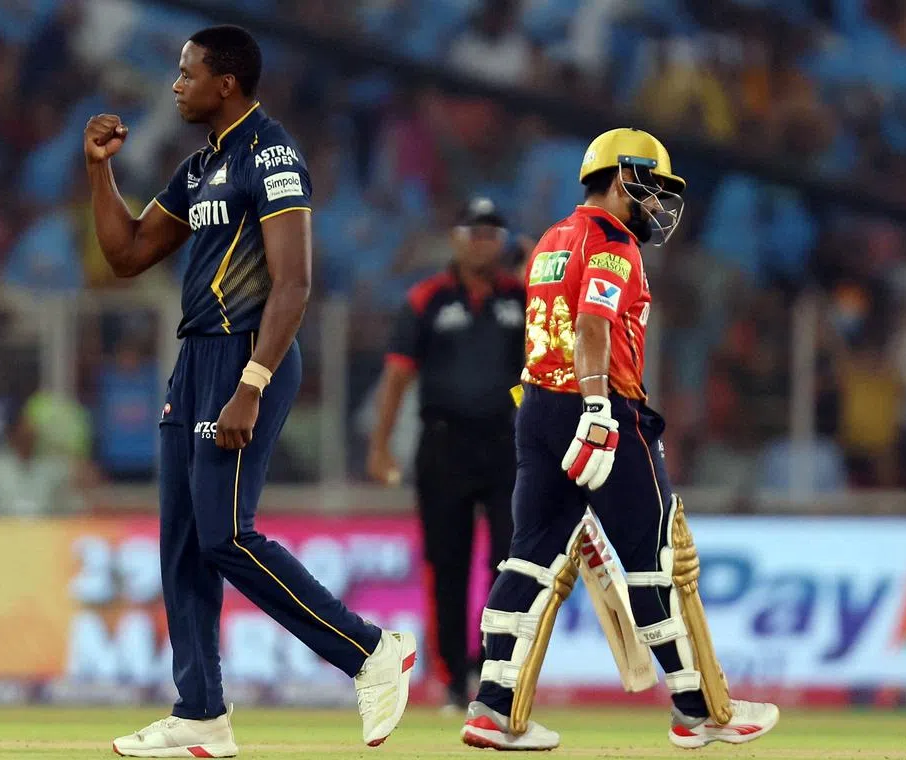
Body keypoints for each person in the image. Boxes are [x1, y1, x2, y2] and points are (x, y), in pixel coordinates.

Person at [84, 26, 415, 758]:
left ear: (225, 82)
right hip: (195, 359)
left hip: (246, 357)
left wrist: (252, 384)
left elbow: (293, 283)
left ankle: (369, 652)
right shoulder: (201, 166)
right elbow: (127, 252)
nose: (175, 85)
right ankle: (200, 714)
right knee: (181, 546)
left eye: (186, 72)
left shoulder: (272, 155)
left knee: (225, 534)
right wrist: (98, 171)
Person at [458, 128, 781, 751]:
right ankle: (702, 711)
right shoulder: (614, 243)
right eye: (652, 186)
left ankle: (491, 708)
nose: (658, 202)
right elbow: (590, 324)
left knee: (527, 558)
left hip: (539, 411)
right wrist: (600, 405)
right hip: (602, 411)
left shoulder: (551, 239)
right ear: (621, 176)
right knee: (660, 560)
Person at [367, 198, 523, 710]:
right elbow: (397, 375)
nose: (482, 241)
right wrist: (380, 445)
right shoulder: (427, 300)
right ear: (455, 238)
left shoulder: (522, 298)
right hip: (444, 445)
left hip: (507, 445)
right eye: (473, 231)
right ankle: (454, 678)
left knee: (514, 561)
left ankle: (496, 666)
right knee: (446, 566)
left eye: (491, 232)